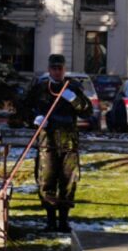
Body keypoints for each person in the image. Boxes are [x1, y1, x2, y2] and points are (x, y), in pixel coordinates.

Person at [22, 54, 92, 232]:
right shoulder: (40, 89)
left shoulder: (73, 87)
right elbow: (23, 109)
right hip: (47, 142)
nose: (57, 71)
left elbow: (87, 112)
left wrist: (74, 99)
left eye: (60, 68)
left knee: (68, 182)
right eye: (54, 68)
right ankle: (50, 220)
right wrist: (34, 119)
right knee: (46, 181)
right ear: (49, 69)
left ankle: (63, 221)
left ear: (64, 69)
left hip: (68, 143)